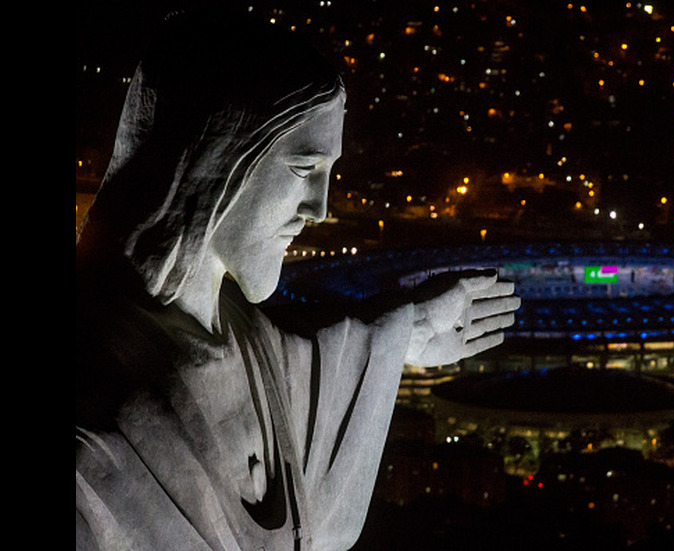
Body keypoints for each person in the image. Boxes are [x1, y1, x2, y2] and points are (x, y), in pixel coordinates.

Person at [75, 10, 519, 550]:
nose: (321, 208)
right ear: (218, 159)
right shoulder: (94, 394)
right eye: (303, 169)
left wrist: (412, 327)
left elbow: (298, 359)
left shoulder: (247, 337)